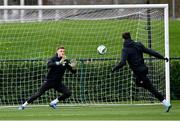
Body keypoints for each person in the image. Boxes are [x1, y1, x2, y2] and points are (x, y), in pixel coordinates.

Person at [112, 32, 172, 112]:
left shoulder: (125, 49)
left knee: (151, 88)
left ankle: (166, 103)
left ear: (123, 39)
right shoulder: (138, 45)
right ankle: (150, 88)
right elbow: (150, 52)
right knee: (138, 83)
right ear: (130, 37)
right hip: (143, 69)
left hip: (139, 72)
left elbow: (123, 63)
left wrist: (114, 69)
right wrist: (162, 57)